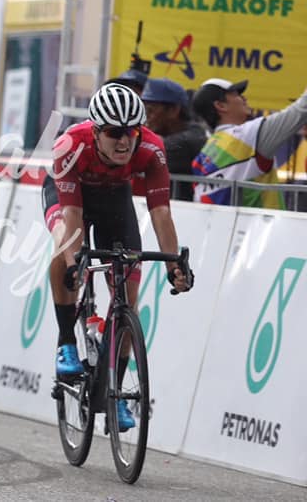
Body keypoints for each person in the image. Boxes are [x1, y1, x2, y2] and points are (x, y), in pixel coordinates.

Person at [44, 83, 192, 431]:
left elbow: (160, 213)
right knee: (63, 243)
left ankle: (115, 393)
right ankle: (67, 341)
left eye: (132, 132)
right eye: (114, 133)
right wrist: (73, 265)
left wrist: (173, 264)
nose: (125, 142)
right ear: (95, 131)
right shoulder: (71, 145)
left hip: (114, 201)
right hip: (71, 197)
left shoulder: (152, 150)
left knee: (128, 298)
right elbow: (73, 217)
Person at [192, 78, 307, 208]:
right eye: (237, 95)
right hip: (263, 227)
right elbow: (301, 109)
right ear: (221, 105)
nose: (244, 98)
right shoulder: (249, 135)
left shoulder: (203, 155)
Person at [140, 78, 207, 201]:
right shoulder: (187, 134)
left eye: (150, 110)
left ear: (173, 110)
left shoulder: (188, 141)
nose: (145, 117)